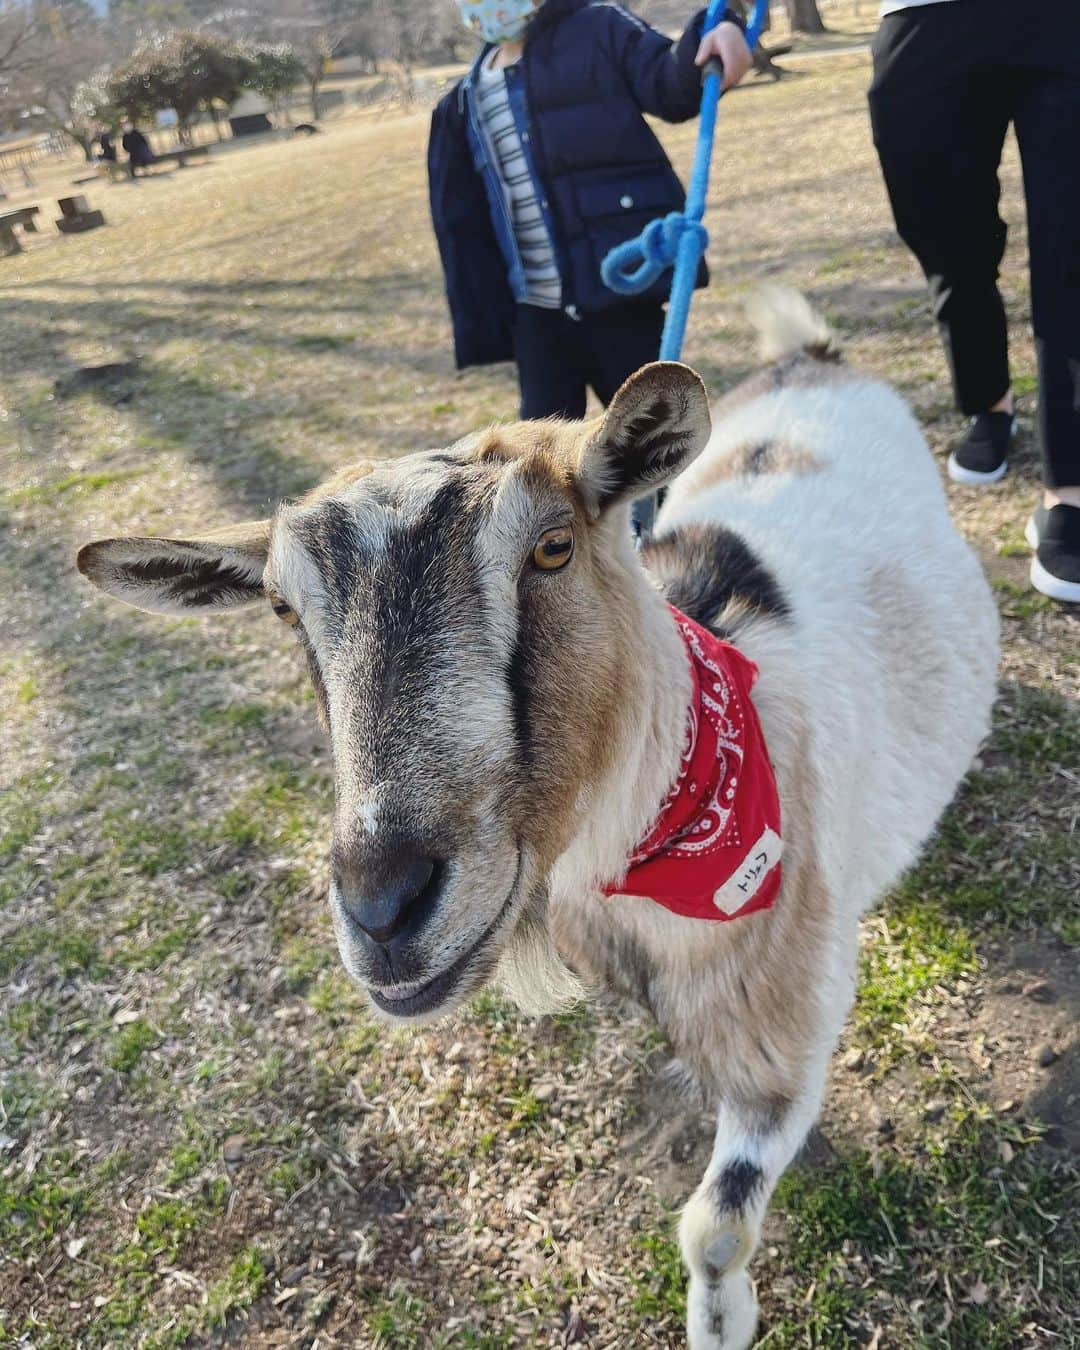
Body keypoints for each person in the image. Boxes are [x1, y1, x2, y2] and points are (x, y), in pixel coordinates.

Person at [428, 0, 751, 420]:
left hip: (617, 298)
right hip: (537, 318)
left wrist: (720, 26)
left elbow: (670, 84)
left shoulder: (599, 27)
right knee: (543, 467)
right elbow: (468, 222)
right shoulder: (467, 97)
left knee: (655, 443)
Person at [868, 0, 1080, 603]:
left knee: (1074, 255)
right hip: (923, 15)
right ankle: (989, 398)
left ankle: (1071, 488)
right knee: (948, 242)